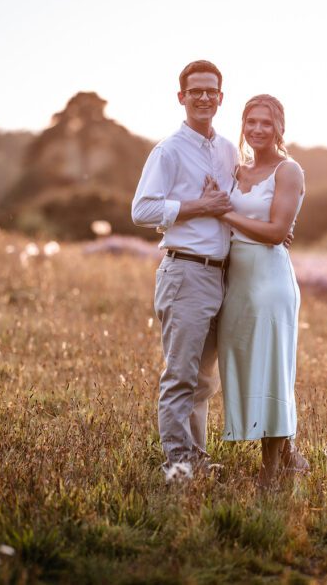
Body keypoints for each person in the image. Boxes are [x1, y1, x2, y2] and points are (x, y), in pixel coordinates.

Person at [131, 60, 237, 472]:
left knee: (205, 380)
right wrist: (199, 206)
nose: (204, 98)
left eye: (211, 91)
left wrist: (275, 228)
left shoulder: (228, 150)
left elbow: (232, 204)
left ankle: (197, 457)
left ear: (221, 98)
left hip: (223, 275)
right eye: (196, 91)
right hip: (186, 271)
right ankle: (177, 463)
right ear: (182, 97)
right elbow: (142, 209)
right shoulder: (168, 151)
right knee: (181, 375)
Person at [214, 94, 309, 487]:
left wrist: (224, 212)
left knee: (272, 372)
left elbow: (274, 232)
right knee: (245, 367)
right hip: (236, 283)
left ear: (279, 128)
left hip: (270, 284)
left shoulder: (288, 171)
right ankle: (289, 455)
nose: (256, 129)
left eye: (265, 123)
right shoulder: (237, 171)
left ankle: (269, 478)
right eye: (250, 121)